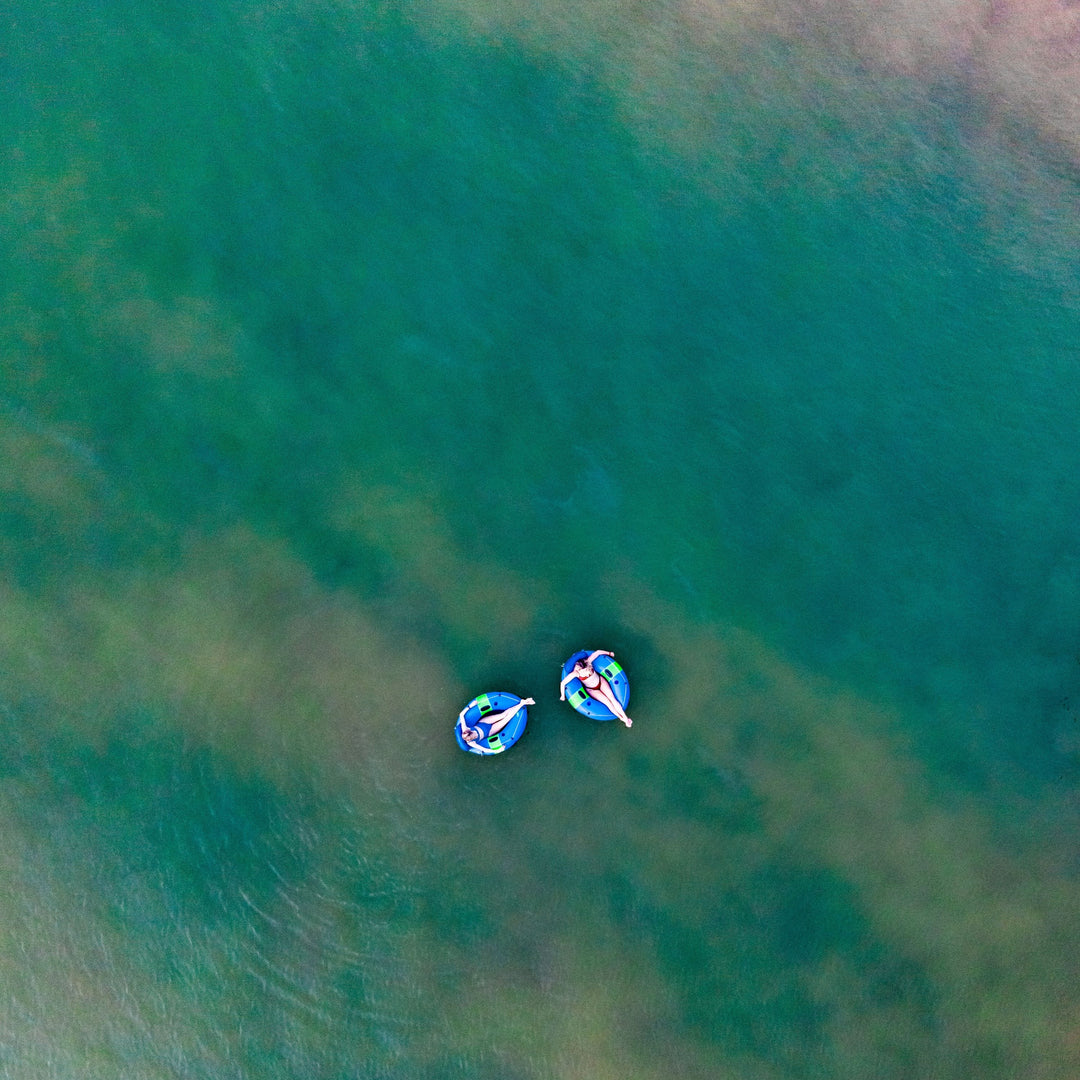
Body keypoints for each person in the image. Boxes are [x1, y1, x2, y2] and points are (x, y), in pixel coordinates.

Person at [559, 650, 632, 727]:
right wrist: (562, 695)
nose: (586, 671)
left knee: (612, 698)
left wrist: (609, 653)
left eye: (587, 669)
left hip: (601, 681)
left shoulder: (588, 661)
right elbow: (563, 683)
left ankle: (626, 718)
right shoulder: (576, 673)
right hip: (592, 689)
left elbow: (597, 652)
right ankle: (622, 719)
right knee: (608, 702)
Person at [458, 697, 535, 751]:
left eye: (472, 735)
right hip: (489, 731)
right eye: (474, 737)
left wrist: (471, 705)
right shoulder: (472, 743)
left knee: (503, 715)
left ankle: (522, 703)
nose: (474, 736)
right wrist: (499, 749)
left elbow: (461, 715)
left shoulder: (465, 729)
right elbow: (485, 749)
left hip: (483, 722)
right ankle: (523, 703)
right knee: (506, 720)